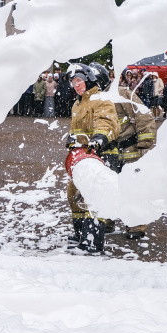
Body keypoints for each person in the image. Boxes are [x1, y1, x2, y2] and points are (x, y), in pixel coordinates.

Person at [90, 62, 156, 239]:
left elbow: (144, 116)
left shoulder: (121, 94)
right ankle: (107, 220)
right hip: (105, 151)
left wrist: (144, 144)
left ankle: (136, 226)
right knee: (107, 186)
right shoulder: (90, 100)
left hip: (129, 150)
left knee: (132, 187)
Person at [64, 64, 120, 254]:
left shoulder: (101, 99)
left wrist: (99, 139)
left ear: (87, 79)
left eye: (78, 81)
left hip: (104, 154)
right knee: (74, 194)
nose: (76, 85)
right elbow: (77, 130)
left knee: (96, 198)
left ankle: (92, 242)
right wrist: (72, 139)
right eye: (73, 82)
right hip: (85, 157)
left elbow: (107, 122)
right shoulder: (78, 103)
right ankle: (80, 234)